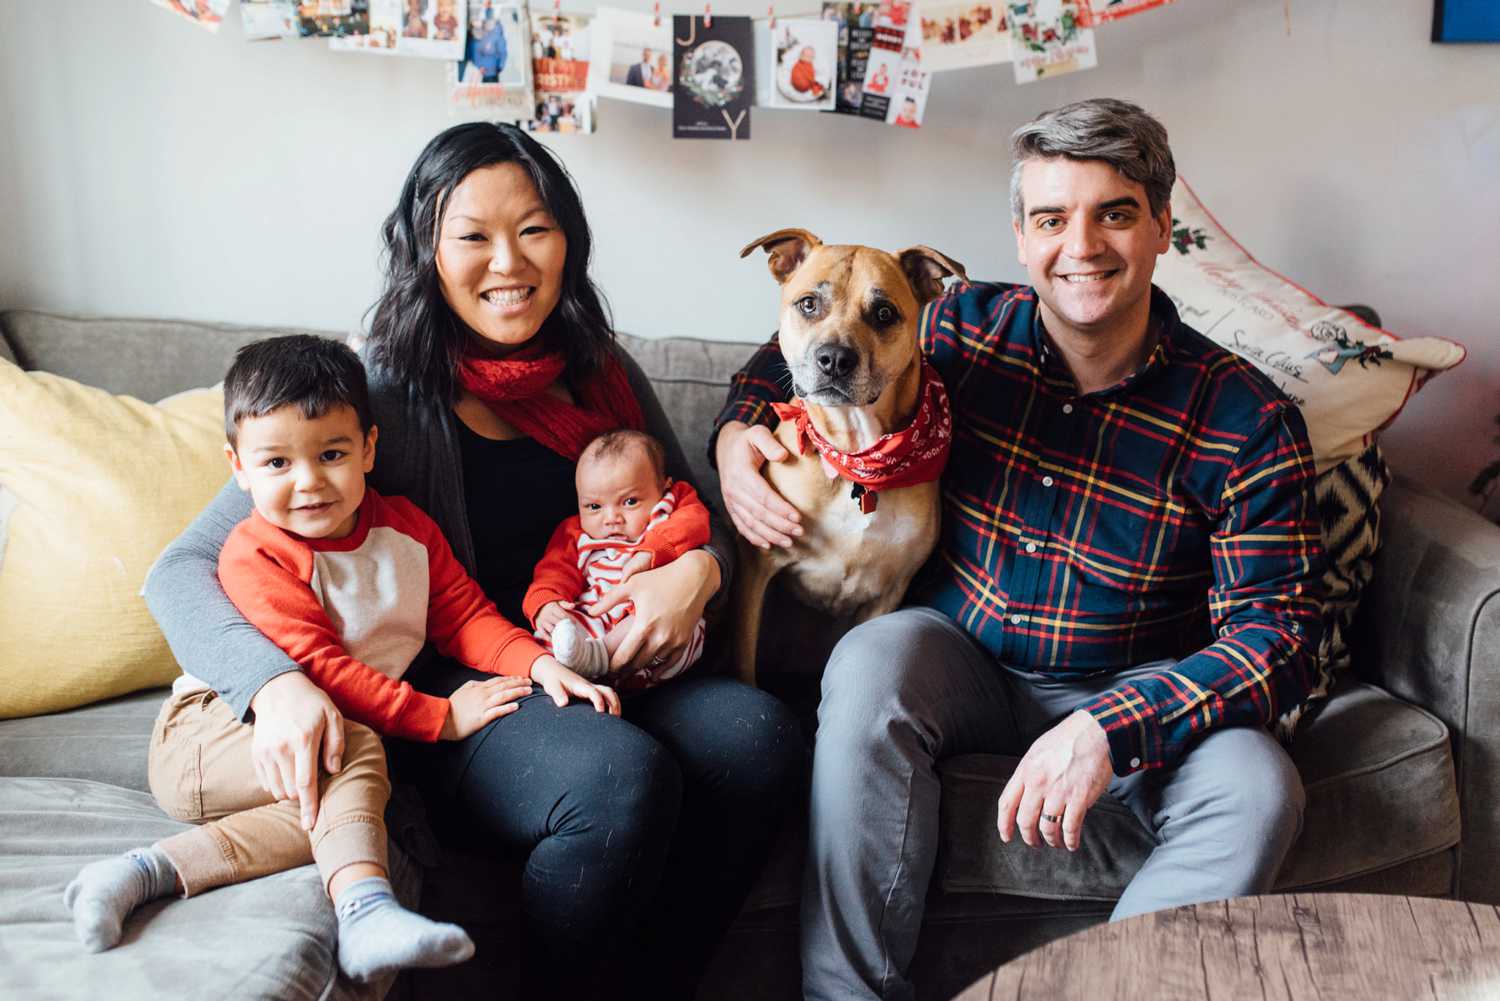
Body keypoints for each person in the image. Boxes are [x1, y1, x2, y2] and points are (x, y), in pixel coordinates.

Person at [144, 122, 802, 1001]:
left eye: (533, 229)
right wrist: (275, 686)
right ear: (426, 248)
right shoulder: (375, 386)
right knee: (615, 775)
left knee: (761, 740)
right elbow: (180, 568)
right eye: (473, 236)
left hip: (608, 654)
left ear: (568, 238)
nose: (509, 262)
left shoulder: (600, 374)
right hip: (458, 686)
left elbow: (694, 512)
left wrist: (698, 572)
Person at [713, 97, 1324, 1001]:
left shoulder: (1247, 418)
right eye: (1052, 219)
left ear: (1163, 226)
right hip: (967, 666)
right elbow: (798, 353)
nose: (1081, 245)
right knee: (873, 655)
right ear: (1021, 234)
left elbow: (1278, 636)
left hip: (1144, 694)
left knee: (1262, 784)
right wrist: (736, 437)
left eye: (1114, 213)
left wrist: (1114, 724)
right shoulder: (958, 329)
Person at [66, 336, 544, 981]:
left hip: (314, 733)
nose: (309, 481)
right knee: (353, 750)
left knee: (347, 808)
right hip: (210, 731)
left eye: (332, 454)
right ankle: (365, 912)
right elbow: (320, 669)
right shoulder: (255, 552)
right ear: (238, 467)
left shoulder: (406, 528)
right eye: (277, 463)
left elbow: (462, 614)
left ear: (369, 447)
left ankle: (136, 873)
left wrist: (536, 662)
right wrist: (440, 718)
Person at [526, 429, 710, 689]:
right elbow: (553, 571)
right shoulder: (576, 533)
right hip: (595, 625)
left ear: (664, 487)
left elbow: (696, 522)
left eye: (630, 501)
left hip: (660, 632)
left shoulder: (671, 506)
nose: (611, 517)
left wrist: (653, 550)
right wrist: (546, 602)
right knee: (559, 629)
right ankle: (583, 661)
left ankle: (598, 657)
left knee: (656, 618)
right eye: (594, 507)